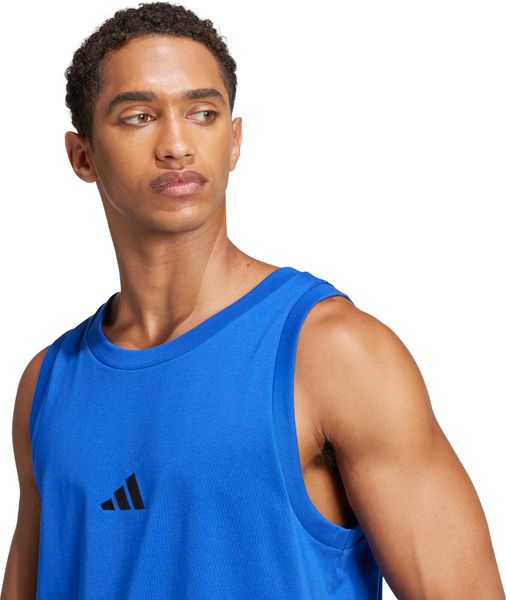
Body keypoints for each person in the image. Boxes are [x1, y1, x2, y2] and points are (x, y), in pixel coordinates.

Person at [1, 2, 504, 599]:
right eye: (139, 116)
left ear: (234, 141)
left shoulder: (335, 352)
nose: (176, 144)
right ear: (82, 156)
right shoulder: (47, 385)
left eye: (203, 113)